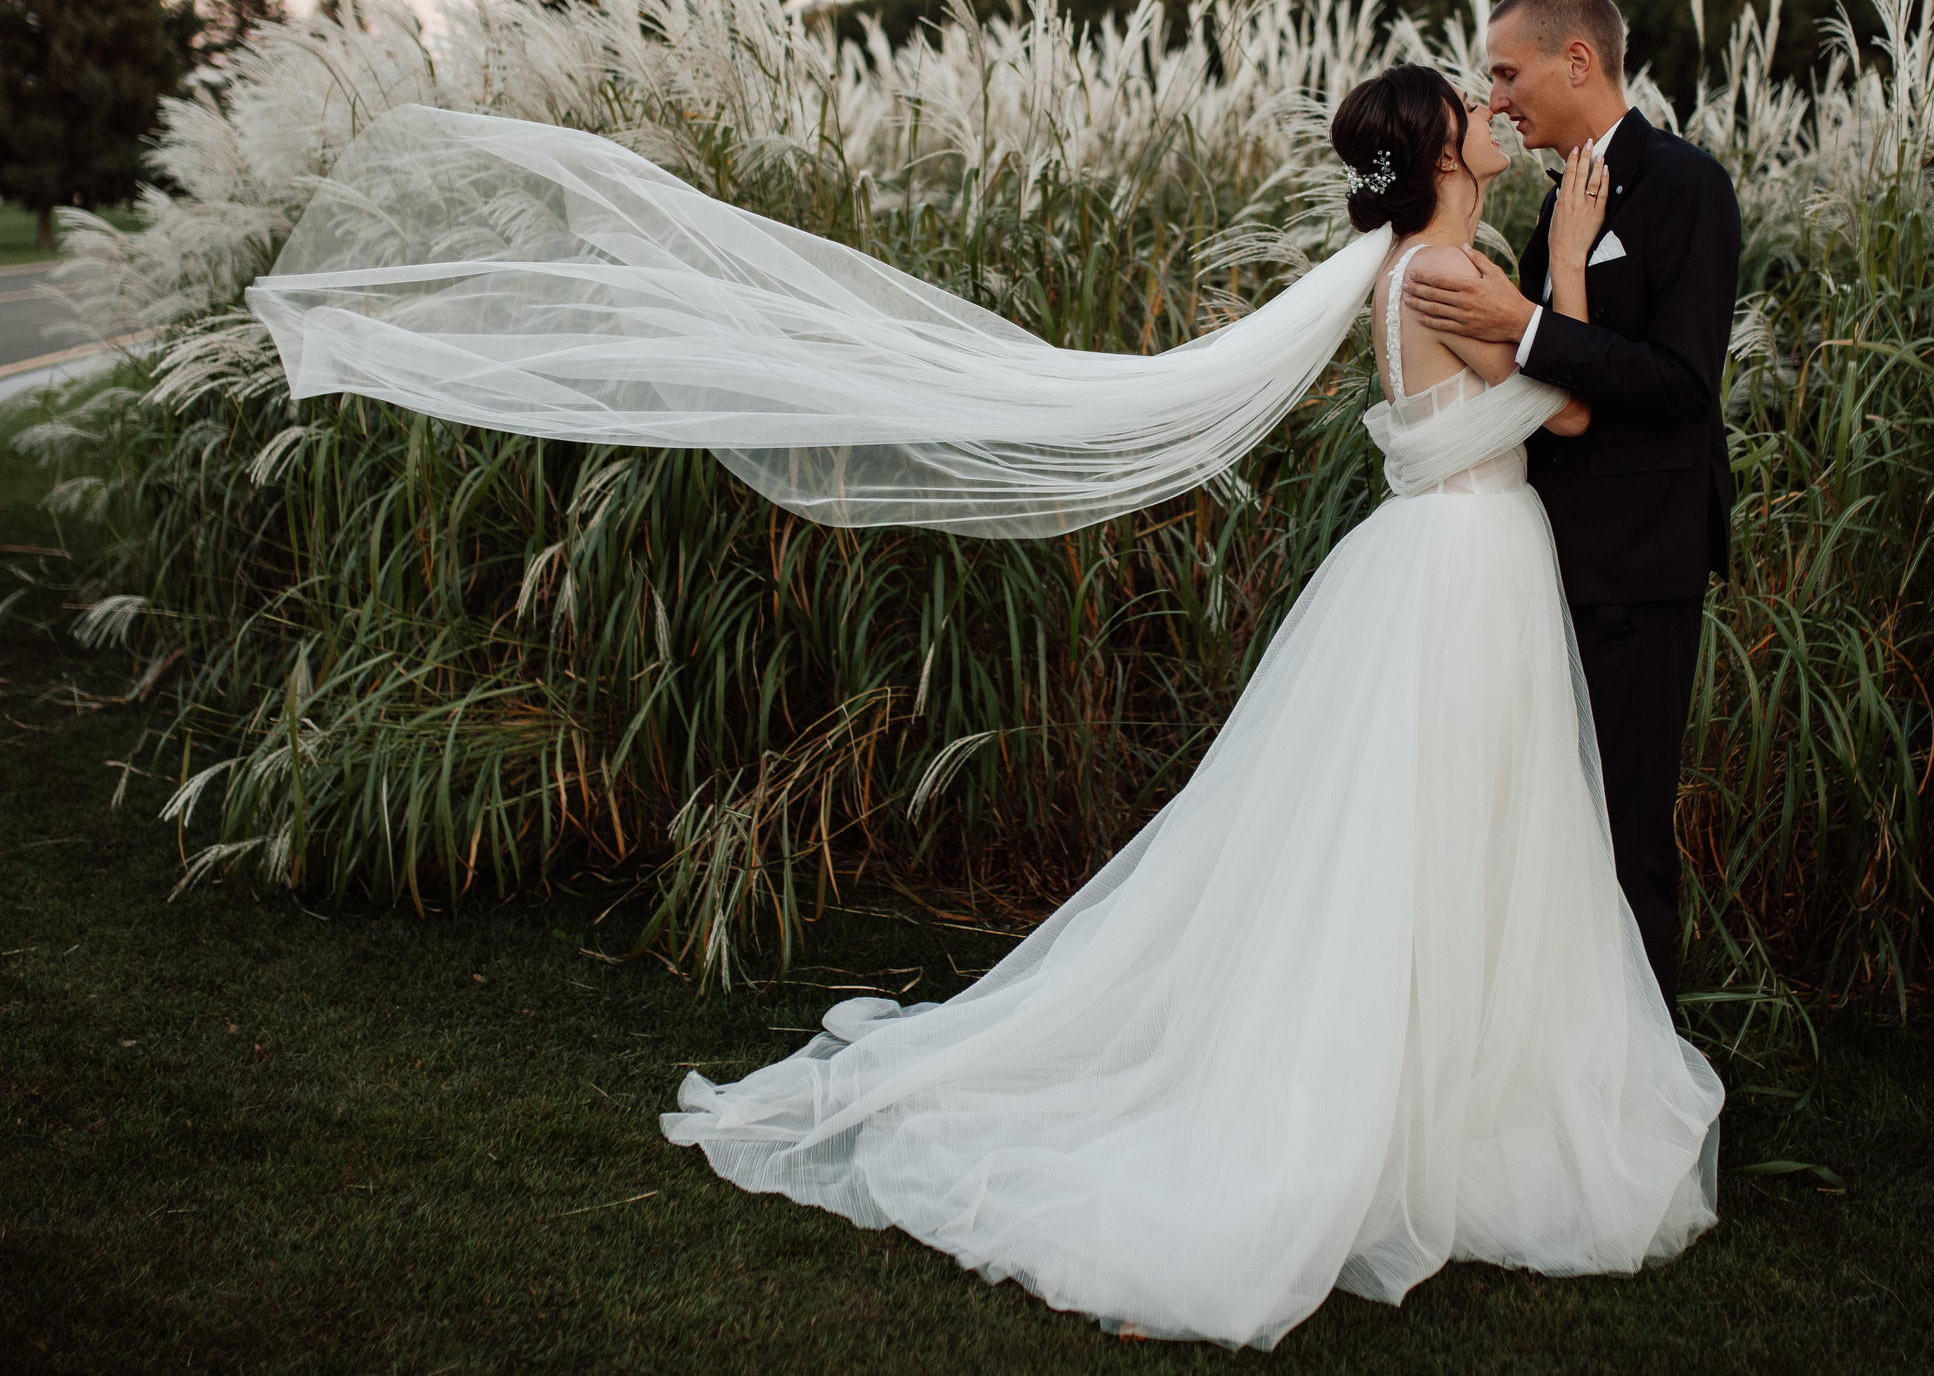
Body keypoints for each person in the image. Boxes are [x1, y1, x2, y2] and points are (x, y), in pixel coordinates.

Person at [244, 68, 1725, 1351]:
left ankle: (1446, 1099)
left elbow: (1538, 386)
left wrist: (1560, 272)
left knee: (1452, 845)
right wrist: (1577, 266)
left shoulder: (1431, 268)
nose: (1492, 111)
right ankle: (1388, 1121)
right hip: (1461, 573)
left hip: (1461, 568)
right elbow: (1570, 403)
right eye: (1470, 107)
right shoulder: (1444, 278)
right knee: (1432, 845)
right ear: (1441, 154)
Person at [1404, 0, 1743, 1013]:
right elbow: (1554, 393)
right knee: (1554, 827)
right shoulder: (1562, 197)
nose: (1496, 97)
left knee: (1626, 827)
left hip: (1639, 562)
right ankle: (1562, 1049)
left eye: (1507, 73)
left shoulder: (1685, 187)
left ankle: (1644, 1070)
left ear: (1579, 61)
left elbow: (1683, 383)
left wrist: (1529, 319)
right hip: (1539, 558)